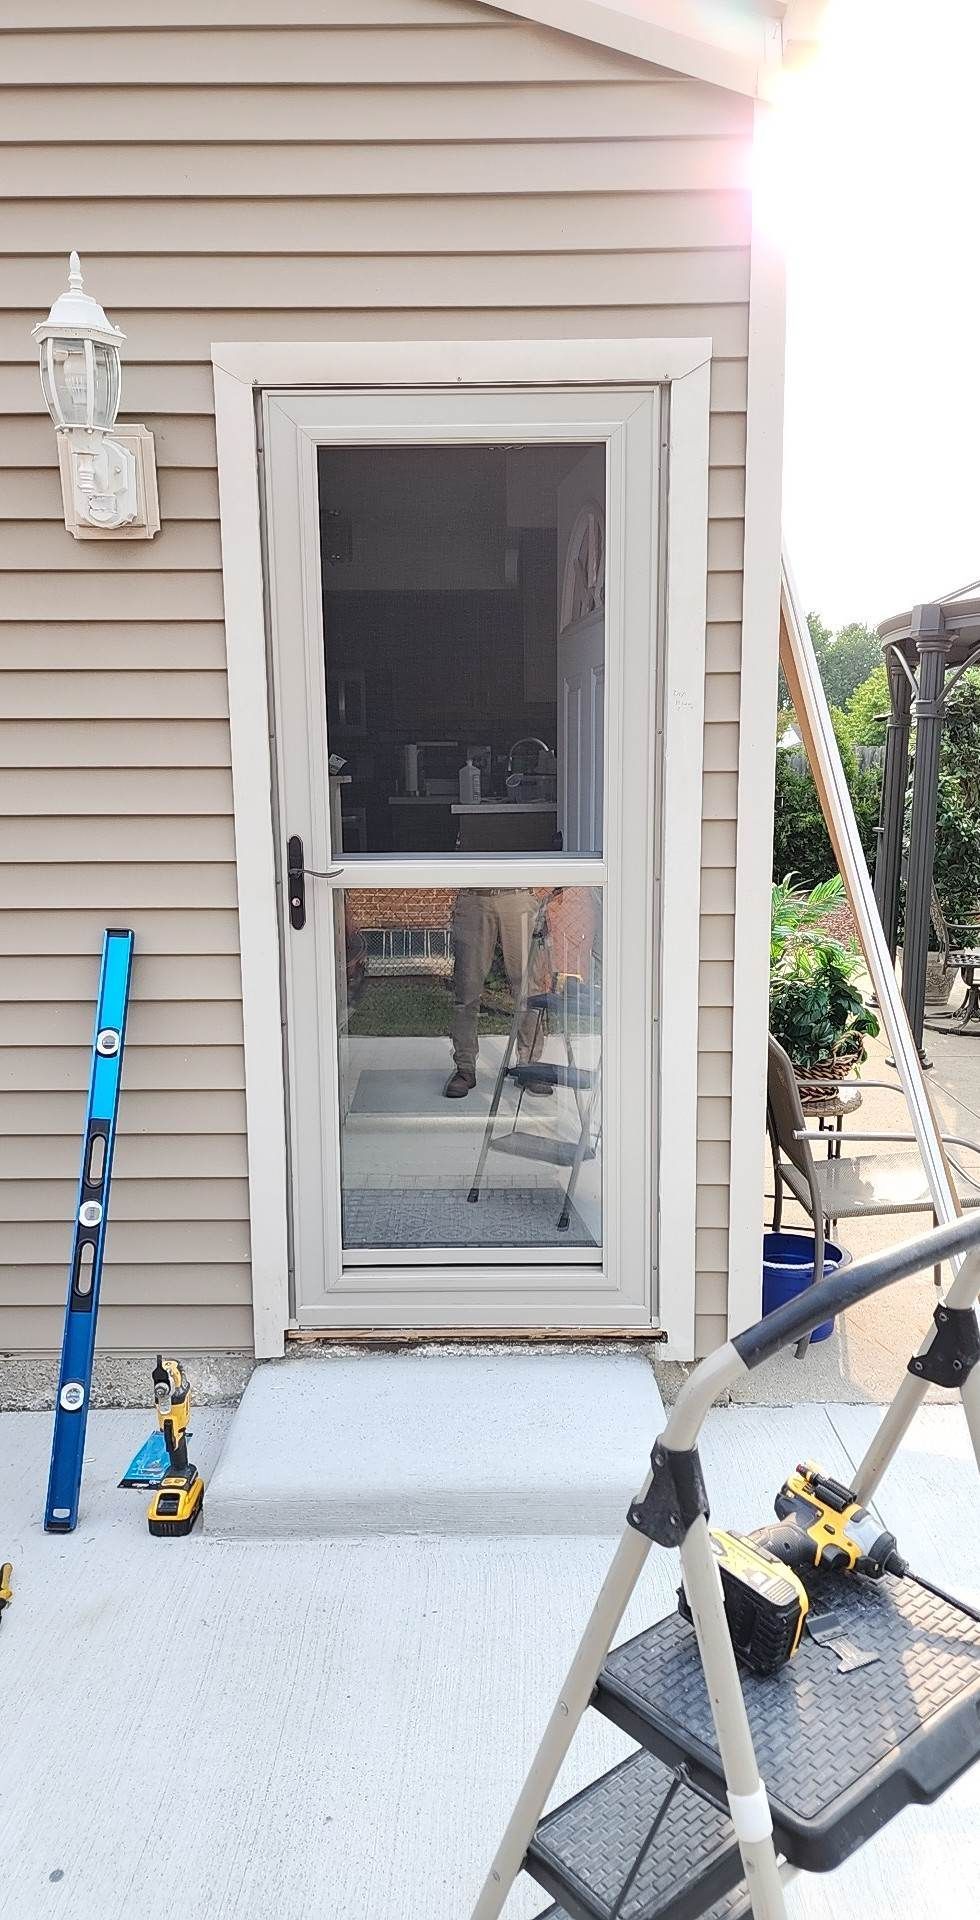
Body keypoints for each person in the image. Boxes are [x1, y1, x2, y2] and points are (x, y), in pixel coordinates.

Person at [444, 888, 550, 1098]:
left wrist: (542, 888)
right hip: (473, 895)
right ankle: (465, 1068)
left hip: (517, 893)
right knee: (467, 989)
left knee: (529, 990)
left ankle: (530, 1066)